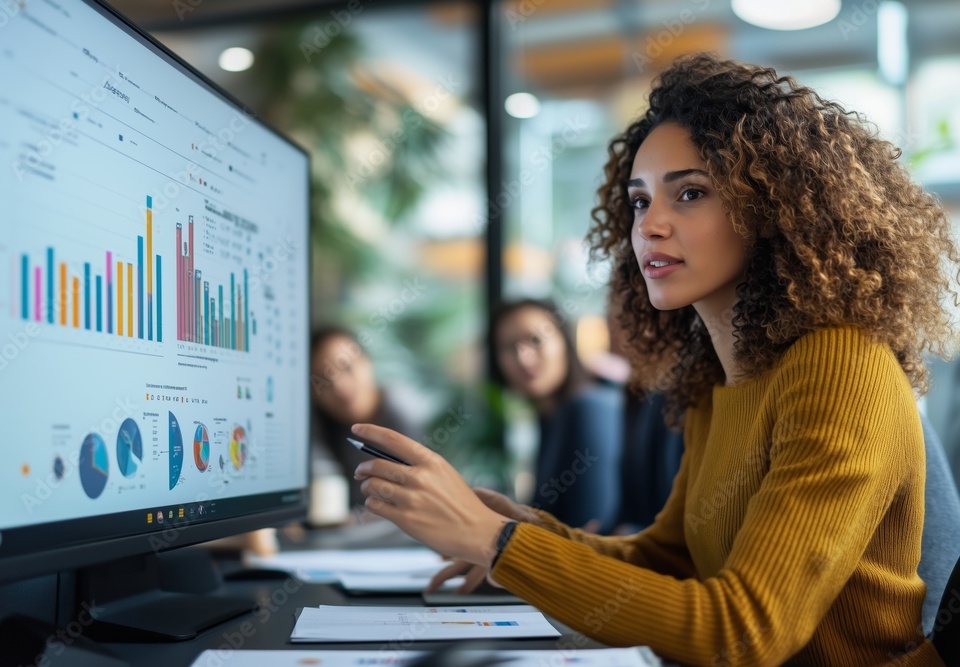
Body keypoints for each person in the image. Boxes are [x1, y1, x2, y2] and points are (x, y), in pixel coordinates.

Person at [350, 54, 959, 665]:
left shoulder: (841, 366)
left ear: (773, 208)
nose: (651, 227)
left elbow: (745, 632)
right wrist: (523, 532)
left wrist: (498, 543)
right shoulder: (717, 378)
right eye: (640, 202)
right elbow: (668, 559)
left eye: (689, 193)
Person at [489, 299, 624, 532]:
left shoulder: (589, 407)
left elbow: (589, 526)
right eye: (509, 347)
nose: (524, 358)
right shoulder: (548, 418)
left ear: (565, 342)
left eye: (536, 340)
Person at [309, 327, 421, 512]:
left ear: (368, 363)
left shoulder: (406, 414)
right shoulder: (321, 428)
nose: (340, 387)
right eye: (323, 380)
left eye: (347, 367)